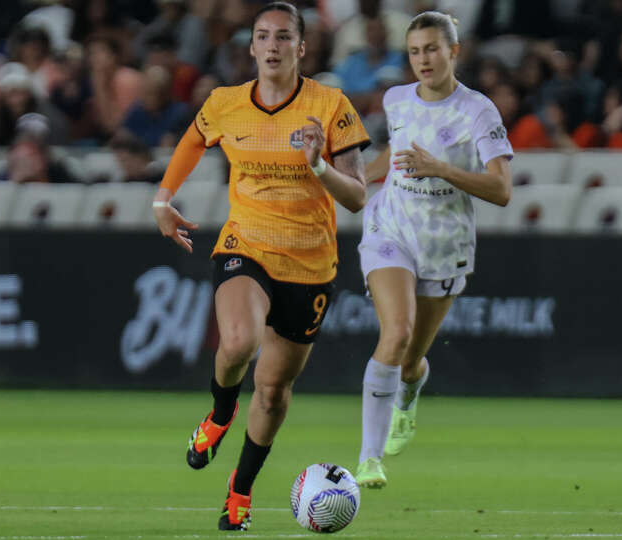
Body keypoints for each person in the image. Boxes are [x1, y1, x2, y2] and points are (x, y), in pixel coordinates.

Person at [151, 2, 370, 531]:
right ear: (251, 47)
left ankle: (240, 490)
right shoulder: (226, 103)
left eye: (283, 37)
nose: (271, 45)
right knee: (239, 342)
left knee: (272, 391)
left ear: (301, 47)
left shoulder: (331, 105)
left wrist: (318, 166)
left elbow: (359, 197)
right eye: (262, 36)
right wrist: (163, 198)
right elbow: (192, 140)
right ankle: (220, 413)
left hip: (310, 267)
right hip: (245, 245)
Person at [353, 11, 513, 489]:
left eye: (432, 49)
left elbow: (502, 190)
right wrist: (359, 180)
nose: (422, 59)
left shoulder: (478, 111)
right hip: (391, 228)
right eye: (415, 51)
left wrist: (440, 169)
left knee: (409, 358)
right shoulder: (397, 99)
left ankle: (409, 392)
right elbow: (397, 155)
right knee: (395, 332)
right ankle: (369, 459)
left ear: (453, 52)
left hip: (444, 245)